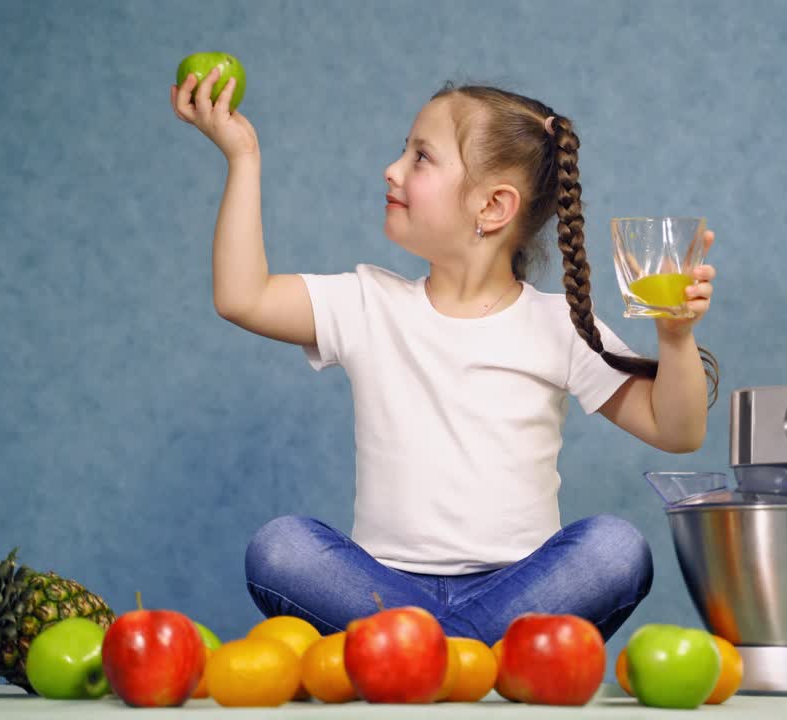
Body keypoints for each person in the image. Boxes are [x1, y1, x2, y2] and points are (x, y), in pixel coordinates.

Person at [170, 69, 719, 644]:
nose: (393, 169)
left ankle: (423, 655)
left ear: (492, 207)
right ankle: (467, 657)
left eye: (421, 157)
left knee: (615, 550)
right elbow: (242, 296)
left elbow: (675, 430)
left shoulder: (558, 324)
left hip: (517, 592)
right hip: (379, 591)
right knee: (281, 548)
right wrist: (243, 157)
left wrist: (675, 340)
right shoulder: (367, 302)